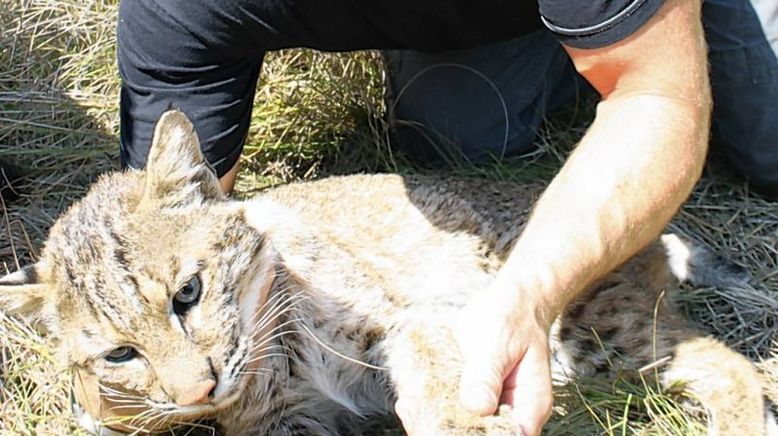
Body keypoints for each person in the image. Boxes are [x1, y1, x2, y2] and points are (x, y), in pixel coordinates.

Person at [112, 0, 776, 434]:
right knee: (451, 128)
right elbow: (168, 234)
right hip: (489, 19)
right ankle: (588, 34)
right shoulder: (176, 10)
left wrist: (527, 297)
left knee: (768, 142)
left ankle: (639, 22)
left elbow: (657, 95)